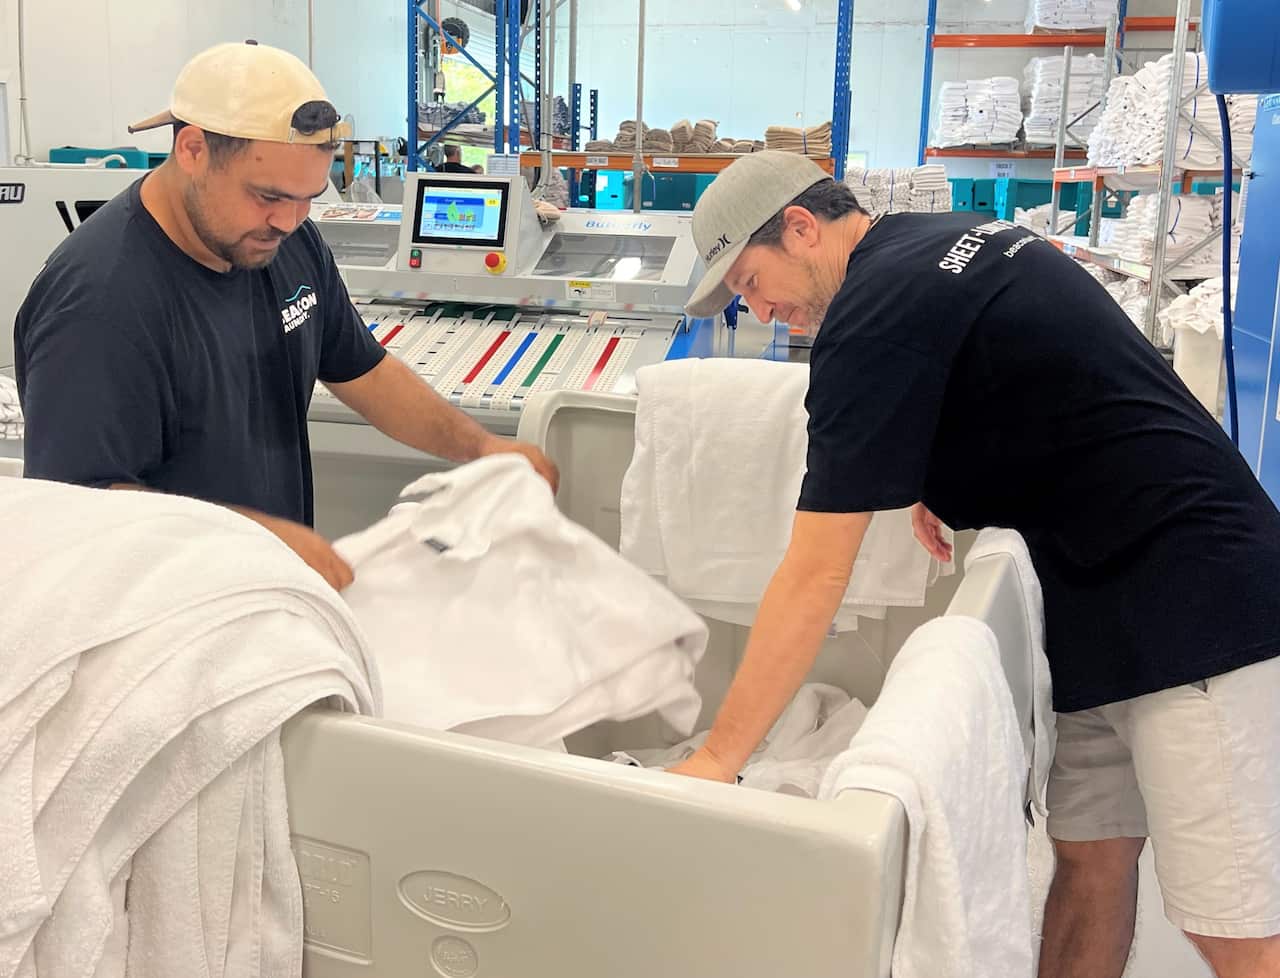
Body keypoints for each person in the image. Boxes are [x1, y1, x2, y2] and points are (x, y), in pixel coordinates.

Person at [670, 151, 1280, 978]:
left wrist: (717, 760)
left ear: (802, 228)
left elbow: (816, 572)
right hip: (1100, 600)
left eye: (748, 280)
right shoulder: (939, 241)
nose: (761, 310)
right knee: (1091, 861)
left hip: (1197, 607)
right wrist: (945, 480)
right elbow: (1021, 379)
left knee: (1234, 926)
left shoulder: (874, 312)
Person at [14, 41, 556, 592]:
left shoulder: (280, 242)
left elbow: (362, 369)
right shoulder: (99, 302)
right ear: (193, 149)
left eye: (308, 197)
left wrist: (481, 447)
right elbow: (79, 512)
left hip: (264, 598)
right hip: (166, 625)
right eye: (267, 195)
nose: (290, 220)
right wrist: (258, 539)